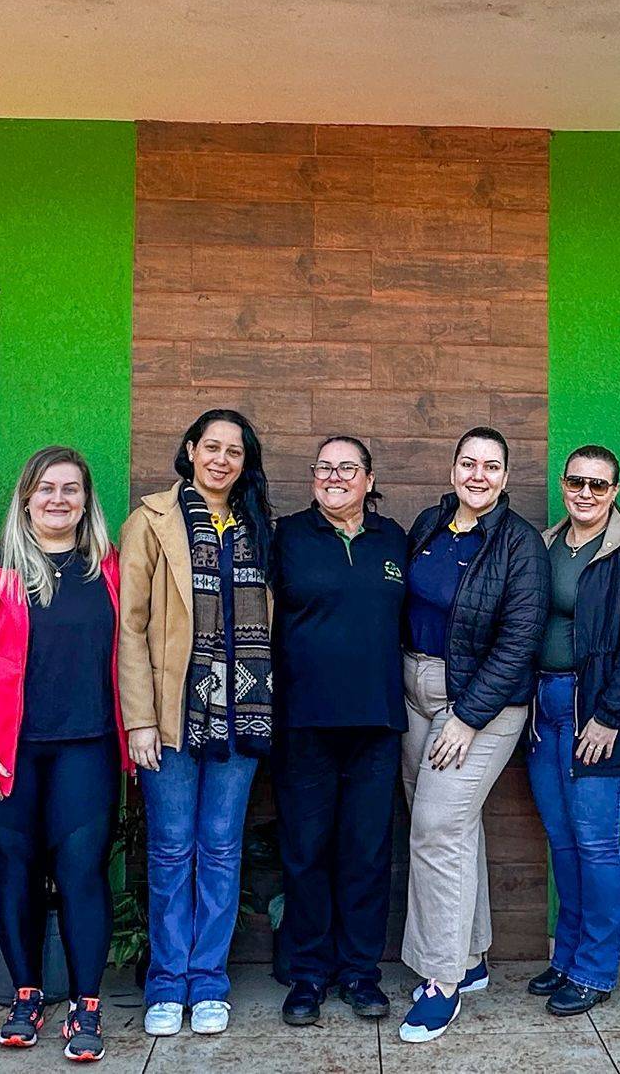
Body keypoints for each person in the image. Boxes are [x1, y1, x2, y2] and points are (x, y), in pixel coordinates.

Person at [0, 446, 128, 1062]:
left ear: (85, 501)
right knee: (15, 871)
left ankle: (86, 1006)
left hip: (88, 747)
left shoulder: (108, 568)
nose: (57, 499)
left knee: (82, 875)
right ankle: (25, 995)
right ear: (25, 496)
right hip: (4, 754)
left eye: (70, 489)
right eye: (46, 488)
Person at [118, 409, 275, 1038]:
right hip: (172, 716)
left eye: (234, 451)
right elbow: (130, 627)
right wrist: (139, 721)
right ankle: (166, 982)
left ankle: (209, 981)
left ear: (245, 462)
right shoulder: (151, 520)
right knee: (171, 848)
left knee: (220, 849)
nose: (221, 459)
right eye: (211, 447)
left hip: (243, 715)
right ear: (190, 449)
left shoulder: (257, 524)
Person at [397, 427, 549, 1044]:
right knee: (451, 828)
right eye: (468, 463)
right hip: (414, 691)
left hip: (481, 704)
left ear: (506, 477)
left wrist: (467, 716)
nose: (478, 475)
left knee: (435, 828)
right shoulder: (430, 525)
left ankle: (440, 980)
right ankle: (472, 954)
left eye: (491, 466)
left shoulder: (520, 546)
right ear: (453, 468)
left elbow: (520, 644)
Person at [270, 436, 408, 1027]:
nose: (334, 477)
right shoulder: (288, 537)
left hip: (377, 721)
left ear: (368, 479)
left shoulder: (394, 539)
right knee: (306, 853)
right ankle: (306, 976)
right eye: (324, 468)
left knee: (366, 854)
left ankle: (359, 973)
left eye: (347, 468)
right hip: (303, 721)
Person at [525, 446, 620, 1017]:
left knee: (597, 843)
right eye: (577, 482)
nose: (586, 493)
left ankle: (595, 969)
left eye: (600, 485)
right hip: (546, 708)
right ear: (564, 484)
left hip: (602, 714)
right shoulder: (544, 545)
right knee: (563, 842)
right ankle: (569, 954)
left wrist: (609, 716)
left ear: (615, 491)